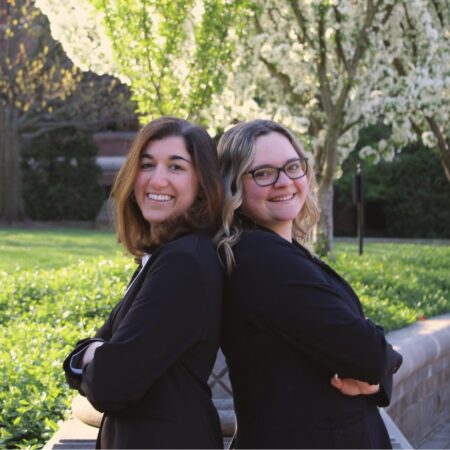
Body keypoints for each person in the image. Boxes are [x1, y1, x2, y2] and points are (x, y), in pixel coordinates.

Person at [216, 119, 403, 449]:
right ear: (234, 186)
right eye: (263, 173)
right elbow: (370, 354)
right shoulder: (264, 260)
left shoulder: (280, 251)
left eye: (292, 167)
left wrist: (373, 377)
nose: (284, 181)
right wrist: (375, 363)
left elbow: (362, 353)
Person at [63, 117, 224, 449]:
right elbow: (93, 355)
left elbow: (111, 385)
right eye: (147, 164)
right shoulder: (165, 255)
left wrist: (94, 352)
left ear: (202, 183)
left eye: (176, 167)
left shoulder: (184, 262)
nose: (157, 179)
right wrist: (95, 352)